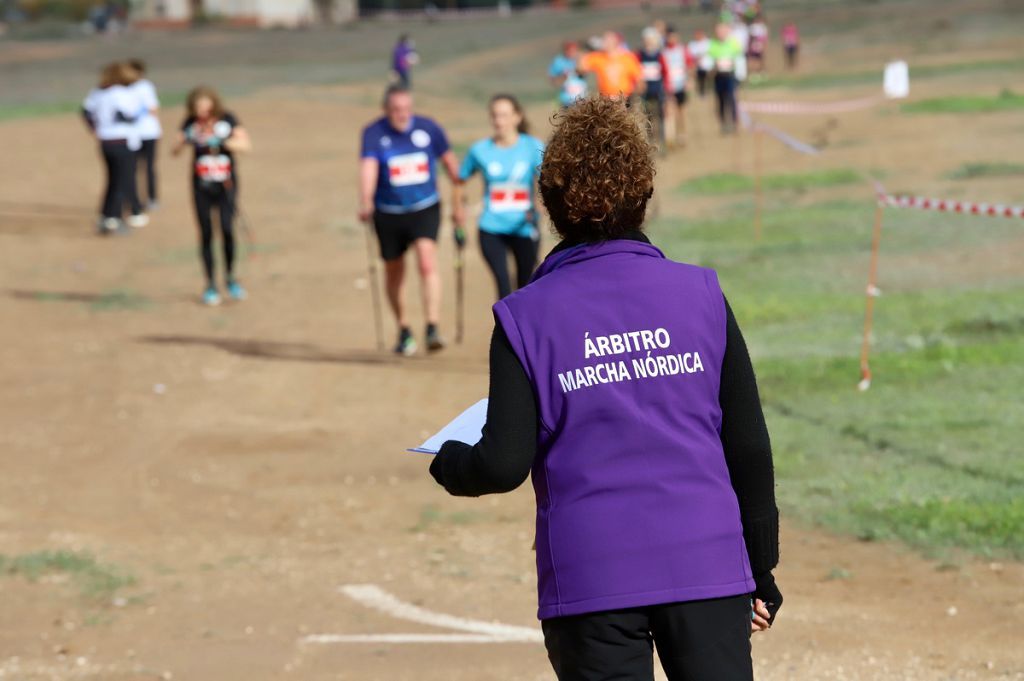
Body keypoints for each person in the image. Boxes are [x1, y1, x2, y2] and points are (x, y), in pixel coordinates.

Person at [429, 96, 781, 681]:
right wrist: (760, 568)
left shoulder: (525, 315)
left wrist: (450, 463)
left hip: (593, 577)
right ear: (644, 196)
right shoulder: (701, 294)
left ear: (550, 204)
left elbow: (502, 463)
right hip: (708, 561)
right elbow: (748, 445)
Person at [359, 85, 459, 356]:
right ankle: (404, 329)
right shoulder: (373, 133)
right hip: (388, 212)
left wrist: (458, 191)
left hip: (425, 208)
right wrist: (366, 200)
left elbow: (450, 163)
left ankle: (432, 327)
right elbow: (368, 168)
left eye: (406, 108)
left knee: (427, 262)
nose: (402, 115)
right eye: (395, 110)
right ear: (386, 110)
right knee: (394, 271)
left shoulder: (429, 129)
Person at [453, 94, 544, 300]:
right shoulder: (480, 150)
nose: (498, 121)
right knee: (503, 288)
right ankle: (506, 332)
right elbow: (460, 179)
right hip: (491, 228)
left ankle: (524, 331)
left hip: (525, 226)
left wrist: (540, 205)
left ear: (517, 117)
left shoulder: (532, 147)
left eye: (504, 115)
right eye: (494, 116)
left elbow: (548, 180)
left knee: (526, 286)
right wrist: (458, 208)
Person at [172, 86, 252, 306]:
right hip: (201, 186)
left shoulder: (228, 120)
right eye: (198, 106)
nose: (202, 110)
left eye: (205, 105)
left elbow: (246, 145)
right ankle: (210, 283)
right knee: (206, 232)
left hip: (226, 185)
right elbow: (174, 149)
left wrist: (222, 141)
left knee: (227, 228)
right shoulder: (190, 123)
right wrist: (186, 139)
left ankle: (230, 278)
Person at [81, 61, 147, 235]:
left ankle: (106, 215)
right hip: (122, 141)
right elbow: (130, 115)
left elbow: (85, 111)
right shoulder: (121, 93)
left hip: (105, 142)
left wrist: (94, 128)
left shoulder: (99, 92)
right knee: (122, 181)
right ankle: (114, 219)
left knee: (112, 180)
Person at [129, 59, 161, 210]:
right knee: (132, 169)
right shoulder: (126, 88)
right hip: (133, 134)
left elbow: (153, 108)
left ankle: (152, 198)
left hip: (148, 133)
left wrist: (137, 114)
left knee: (148, 167)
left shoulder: (145, 86)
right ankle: (134, 200)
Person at [577, 31, 643, 101]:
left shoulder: (627, 58)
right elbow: (581, 68)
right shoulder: (598, 57)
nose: (604, 43)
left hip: (625, 99)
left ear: (615, 43)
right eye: (604, 40)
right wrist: (585, 50)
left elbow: (639, 79)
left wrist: (636, 95)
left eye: (606, 40)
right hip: (606, 100)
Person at [709, 22, 744, 133]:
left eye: (723, 31)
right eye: (718, 32)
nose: (721, 34)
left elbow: (739, 60)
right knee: (720, 101)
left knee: (732, 100)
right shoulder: (713, 44)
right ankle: (723, 124)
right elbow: (709, 60)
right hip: (718, 77)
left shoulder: (733, 43)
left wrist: (740, 77)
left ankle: (734, 124)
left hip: (730, 76)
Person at [636, 27, 668, 145]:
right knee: (647, 118)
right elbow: (636, 72)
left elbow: (665, 72)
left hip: (658, 91)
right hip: (645, 92)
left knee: (660, 117)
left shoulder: (659, 56)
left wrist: (666, 87)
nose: (648, 41)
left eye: (650, 39)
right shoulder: (640, 55)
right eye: (646, 39)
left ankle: (662, 141)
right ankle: (650, 143)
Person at [661, 26, 691, 147]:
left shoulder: (682, 50)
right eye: (669, 37)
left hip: (681, 86)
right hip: (668, 87)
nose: (672, 39)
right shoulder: (663, 52)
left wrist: (689, 81)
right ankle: (670, 138)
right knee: (669, 111)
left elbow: (689, 65)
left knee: (681, 111)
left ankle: (682, 134)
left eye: (674, 36)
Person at [548, 41, 587, 107]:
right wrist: (563, 77)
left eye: (574, 50)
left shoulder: (581, 60)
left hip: (581, 100)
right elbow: (553, 81)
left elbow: (584, 72)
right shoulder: (559, 61)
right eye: (569, 50)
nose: (572, 53)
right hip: (567, 101)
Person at [688, 29, 712, 97]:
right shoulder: (692, 44)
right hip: (697, 66)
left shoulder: (708, 42)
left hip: (707, 66)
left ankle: (708, 91)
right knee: (700, 80)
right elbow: (690, 54)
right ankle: (701, 92)